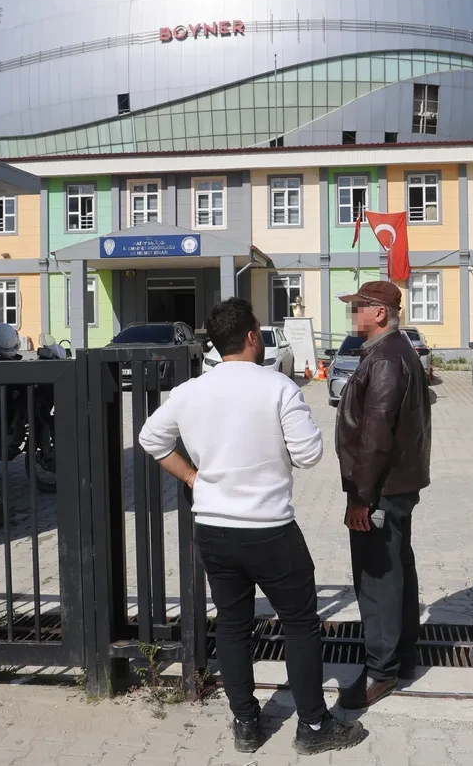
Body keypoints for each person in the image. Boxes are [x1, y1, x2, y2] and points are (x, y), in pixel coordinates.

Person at [138, 297, 365, 756]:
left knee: (234, 626)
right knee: (301, 624)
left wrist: (193, 477)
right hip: (270, 529)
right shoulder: (278, 387)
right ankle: (315, 728)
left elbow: (150, 438)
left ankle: (245, 723)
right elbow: (308, 454)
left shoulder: (190, 391)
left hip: (214, 529)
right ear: (251, 336)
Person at [334, 280, 432, 709]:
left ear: (378, 313)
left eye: (357, 308)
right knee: (397, 573)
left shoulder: (387, 358)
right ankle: (402, 659)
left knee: (376, 580)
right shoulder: (392, 351)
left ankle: (381, 671)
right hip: (394, 487)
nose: (352, 315)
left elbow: (375, 434)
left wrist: (361, 497)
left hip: (380, 490)